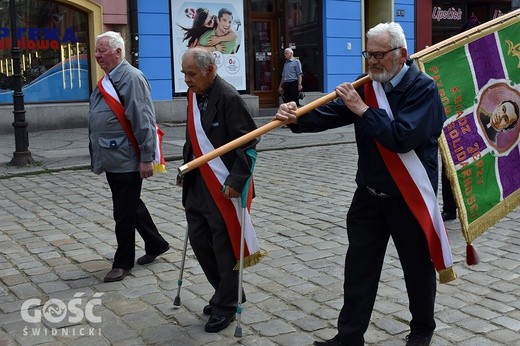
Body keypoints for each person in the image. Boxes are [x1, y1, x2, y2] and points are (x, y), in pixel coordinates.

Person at [275, 22, 446, 346]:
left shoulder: (423, 88)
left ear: (402, 54)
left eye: (379, 55)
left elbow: (402, 137)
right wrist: (296, 117)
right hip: (369, 195)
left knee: (417, 269)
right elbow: (330, 113)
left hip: (408, 198)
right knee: (359, 268)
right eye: (369, 55)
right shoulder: (369, 85)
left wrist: (363, 109)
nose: (372, 63)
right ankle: (349, 336)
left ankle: (422, 329)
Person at [179, 47, 258, 333]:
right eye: (184, 73)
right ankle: (227, 292)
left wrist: (237, 181)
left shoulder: (228, 97)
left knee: (224, 248)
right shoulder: (194, 94)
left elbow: (248, 143)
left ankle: (226, 305)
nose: (186, 79)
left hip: (223, 185)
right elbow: (193, 138)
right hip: (198, 183)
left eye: (191, 74)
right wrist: (185, 168)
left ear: (210, 70)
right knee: (200, 242)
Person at [89, 31, 169, 283]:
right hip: (114, 155)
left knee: (122, 211)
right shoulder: (111, 78)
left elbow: (143, 119)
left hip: (127, 157)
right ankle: (156, 244)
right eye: (97, 50)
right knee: (130, 204)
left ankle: (123, 263)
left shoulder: (131, 78)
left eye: (102, 50)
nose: (97, 55)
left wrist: (147, 157)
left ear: (119, 52)